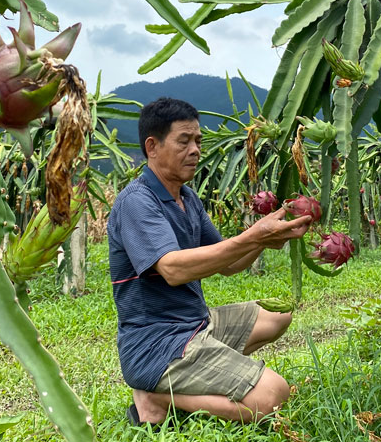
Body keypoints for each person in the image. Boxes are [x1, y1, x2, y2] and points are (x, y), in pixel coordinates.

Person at [107, 97, 311, 425]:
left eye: (198, 141)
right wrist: (254, 236)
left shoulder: (187, 198)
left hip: (195, 324)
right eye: (184, 141)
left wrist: (270, 236)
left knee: (278, 314)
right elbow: (172, 269)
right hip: (156, 343)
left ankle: (201, 374)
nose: (195, 150)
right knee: (274, 395)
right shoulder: (137, 202)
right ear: (152, 147)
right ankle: (156, 396)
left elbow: (228, 263)